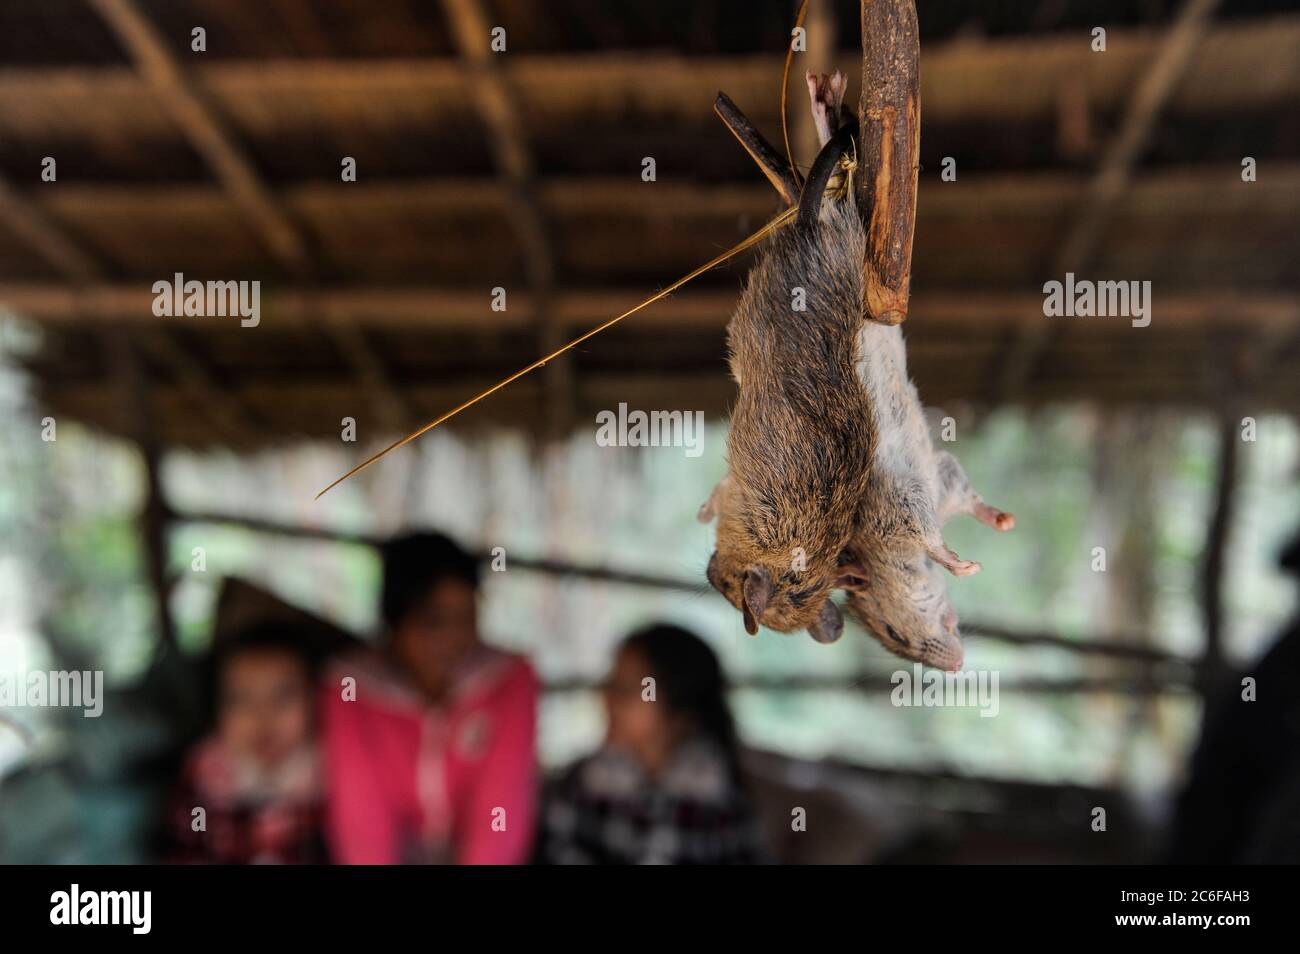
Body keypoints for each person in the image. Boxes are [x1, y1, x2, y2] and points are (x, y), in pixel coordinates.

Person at [320, 532, 538, 864]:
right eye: (433, 621)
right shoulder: (350, 691)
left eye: (465, 619)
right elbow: (361, 822)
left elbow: (501, 808)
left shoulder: (508, 683)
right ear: (394, 620)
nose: (453, 638)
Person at [537, 623, 769, 864]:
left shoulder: (722, 808)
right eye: (610, 686)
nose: (607, 700)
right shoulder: (577, 788)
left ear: (680, 714)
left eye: (625, 690)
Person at [167, 621, 326, 864]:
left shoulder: (331, 777)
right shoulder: (203, 778)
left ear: (314, 700)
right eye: (241, 700)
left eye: (282, 697)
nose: (263, 717)